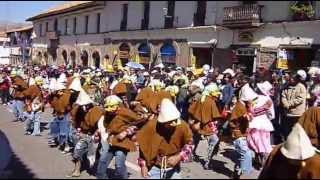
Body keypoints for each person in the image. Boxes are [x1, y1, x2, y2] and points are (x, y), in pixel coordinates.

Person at [136, 98, 193, 179]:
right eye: (170, 121)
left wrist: (179, 156)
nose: (173, 123)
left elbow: (190, 145)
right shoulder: (151, 126)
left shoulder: (182, 126)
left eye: (175, 120)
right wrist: (143, 165)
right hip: (154, 167)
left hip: (173, 168)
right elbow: (144, 147)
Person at [188, 83, 221, 169]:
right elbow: (215, 115)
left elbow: (191, 110)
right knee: (214, 142)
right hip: (208, 125)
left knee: (195, 140)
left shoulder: (200, 99)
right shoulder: (210, 101)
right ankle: (207, 162)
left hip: (197, 124)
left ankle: (190, 155)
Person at [281, 70, 307, 139]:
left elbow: (300, 99)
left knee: (296, 130)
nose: (291, 79)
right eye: (291, 78)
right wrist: (285, 103)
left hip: (297, 113)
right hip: (288, 113)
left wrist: (289, 104)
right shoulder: (286, 86)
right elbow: (283, 96)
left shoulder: (301, 87)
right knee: (287, 131)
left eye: (293, 78)